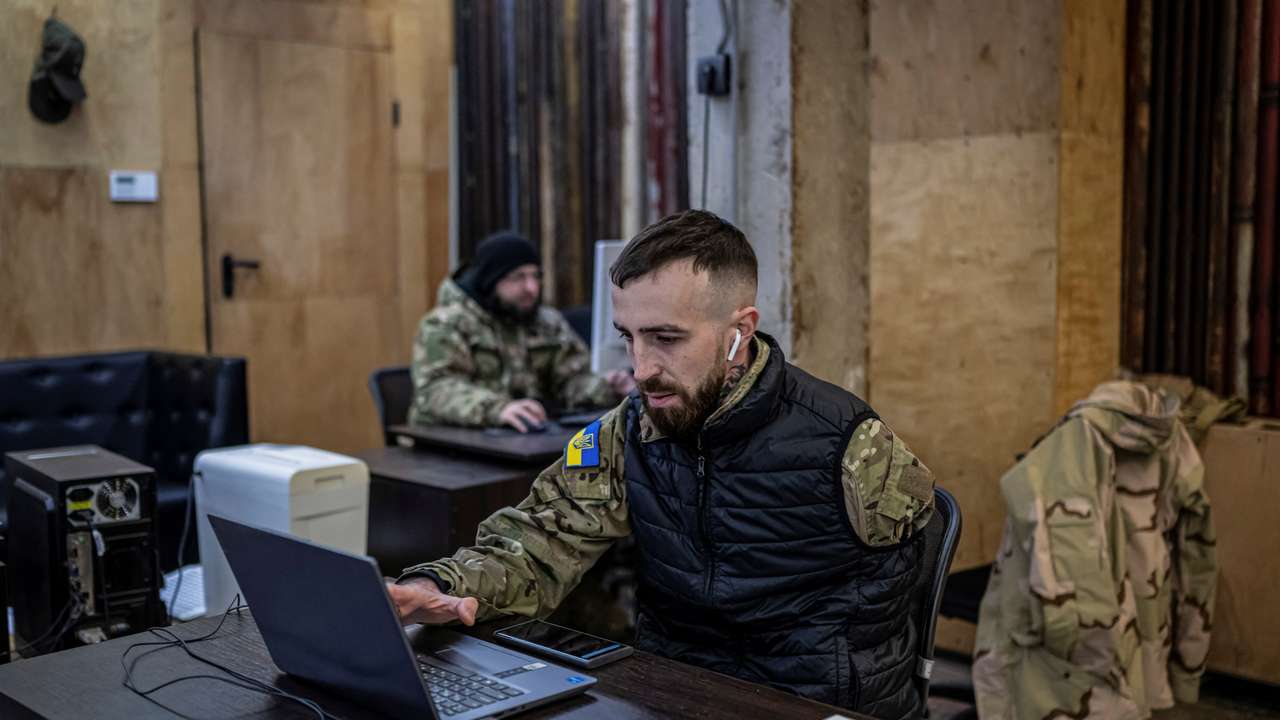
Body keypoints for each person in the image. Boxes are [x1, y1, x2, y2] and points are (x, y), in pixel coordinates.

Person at [389, 211, 935, 718]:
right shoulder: (630, 430)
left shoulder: (846, 442)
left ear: (739, 333)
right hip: (669, 689)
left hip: (808, 700)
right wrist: (439, 582)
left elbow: (899, 589)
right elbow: (537, 539)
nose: (641, 369)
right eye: (629, 338)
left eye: (666, 338)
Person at [409, 231, 634, 432]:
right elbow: (436, 390)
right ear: (490, 280)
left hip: (522, 438)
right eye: (518, 277)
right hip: (450, 444)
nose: (532, 288)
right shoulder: (445, 323)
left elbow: (570, 379)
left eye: (536, 276)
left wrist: (605, 387)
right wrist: (497, 409)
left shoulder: (546, 321)